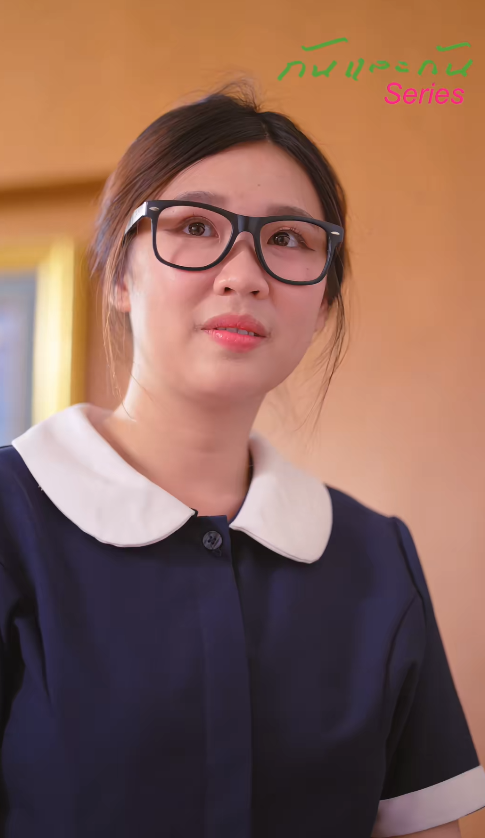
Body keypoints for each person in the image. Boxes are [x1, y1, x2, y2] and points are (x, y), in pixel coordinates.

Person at [0, 84, 483, 838]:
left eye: (288, 238)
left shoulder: (376, 557)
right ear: (120, 276)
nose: (244, 272)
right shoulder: (12, 519)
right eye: (195, 226)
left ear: (322, 304)